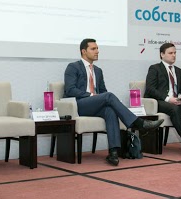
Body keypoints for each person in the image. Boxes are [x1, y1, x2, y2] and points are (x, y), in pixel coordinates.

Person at [64, 38, 163, 166]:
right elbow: (70, 90)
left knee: (110, 111)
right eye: (93, 49)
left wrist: (105, 99)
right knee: (109, 96)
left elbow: (103, 91)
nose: (97, 51)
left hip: (95, 105)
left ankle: (113, 153)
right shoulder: (73, 67)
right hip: (79, 105)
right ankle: (138, 123)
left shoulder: (98, 71)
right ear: (83, 51)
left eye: (97, 48)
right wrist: (91, 95)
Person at [144, 43, 181, 158]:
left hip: (175, 102)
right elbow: (150, 89)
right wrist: (168, 99)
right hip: (160, 102)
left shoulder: (179, 71)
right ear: (162, 54)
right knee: (174, 109)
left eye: (175, 53)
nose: (173, 55)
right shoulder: (155, 68)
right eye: (170, 53)